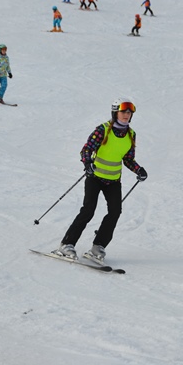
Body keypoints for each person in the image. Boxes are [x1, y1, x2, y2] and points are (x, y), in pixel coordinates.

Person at [56, 98, 148, 264]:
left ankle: (98, 247)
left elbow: (128, 159)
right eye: (123, 111)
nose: (126, 115)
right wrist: (88, 163)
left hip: (113, 181)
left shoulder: (131, 134)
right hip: (95, 177)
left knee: (115, 212)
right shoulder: (103, 129)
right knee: (88, 210)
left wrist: (138, 169)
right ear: (115, 113)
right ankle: (67, 244)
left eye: (129, 112)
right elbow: (87, 149)